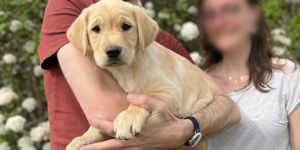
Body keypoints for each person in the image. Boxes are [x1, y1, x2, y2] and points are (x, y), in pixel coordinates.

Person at [82, 0, 300, 149]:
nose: (220, 22)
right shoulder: (196, 79)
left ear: (253, 14)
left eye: (231, 10)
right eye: (210, 15)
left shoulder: (288, 76)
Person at [38, 0, 241, 149]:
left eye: (125, 27)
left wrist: (186, 129)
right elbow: (109, 117)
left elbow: (226, 108)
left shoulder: (162, 41)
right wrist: (186, 134)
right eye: (97, 29)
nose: (112, 45)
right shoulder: (68, 6)